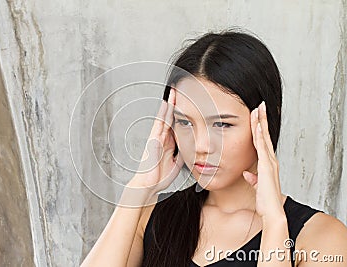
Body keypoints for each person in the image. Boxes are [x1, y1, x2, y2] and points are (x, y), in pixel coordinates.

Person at [81, 30, 347, 267]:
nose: (201, 146)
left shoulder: (320, 237)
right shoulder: (150, 219)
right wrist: (137, 190)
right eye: (184, 122)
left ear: (267, 120)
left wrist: (275, 223)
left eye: (221, 124)